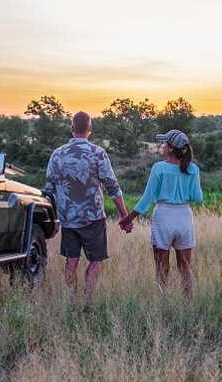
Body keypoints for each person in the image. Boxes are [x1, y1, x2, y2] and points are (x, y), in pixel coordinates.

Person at [44, 111, 131, 304]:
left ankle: (72, 302)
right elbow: (113, 187)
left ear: (72, 128)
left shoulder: (57, 154)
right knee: (96, 260)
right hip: (93, 218)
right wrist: (124, 215)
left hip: (68, 219)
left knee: (71, 262)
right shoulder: (98, 153)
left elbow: (48, 190)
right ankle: (88, 301)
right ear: (90, 129)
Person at [119, 129, 202, 298]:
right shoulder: (193, 169)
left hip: (164, 217)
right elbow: (197, 197)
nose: (162, 146)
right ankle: (188, 303)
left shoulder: (159, 168)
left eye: (164, 143)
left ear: (171, 148)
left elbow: (147, 198)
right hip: (185, 217)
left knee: (161, 267)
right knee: (185, 267)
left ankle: (163, 301)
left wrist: (128, 218)